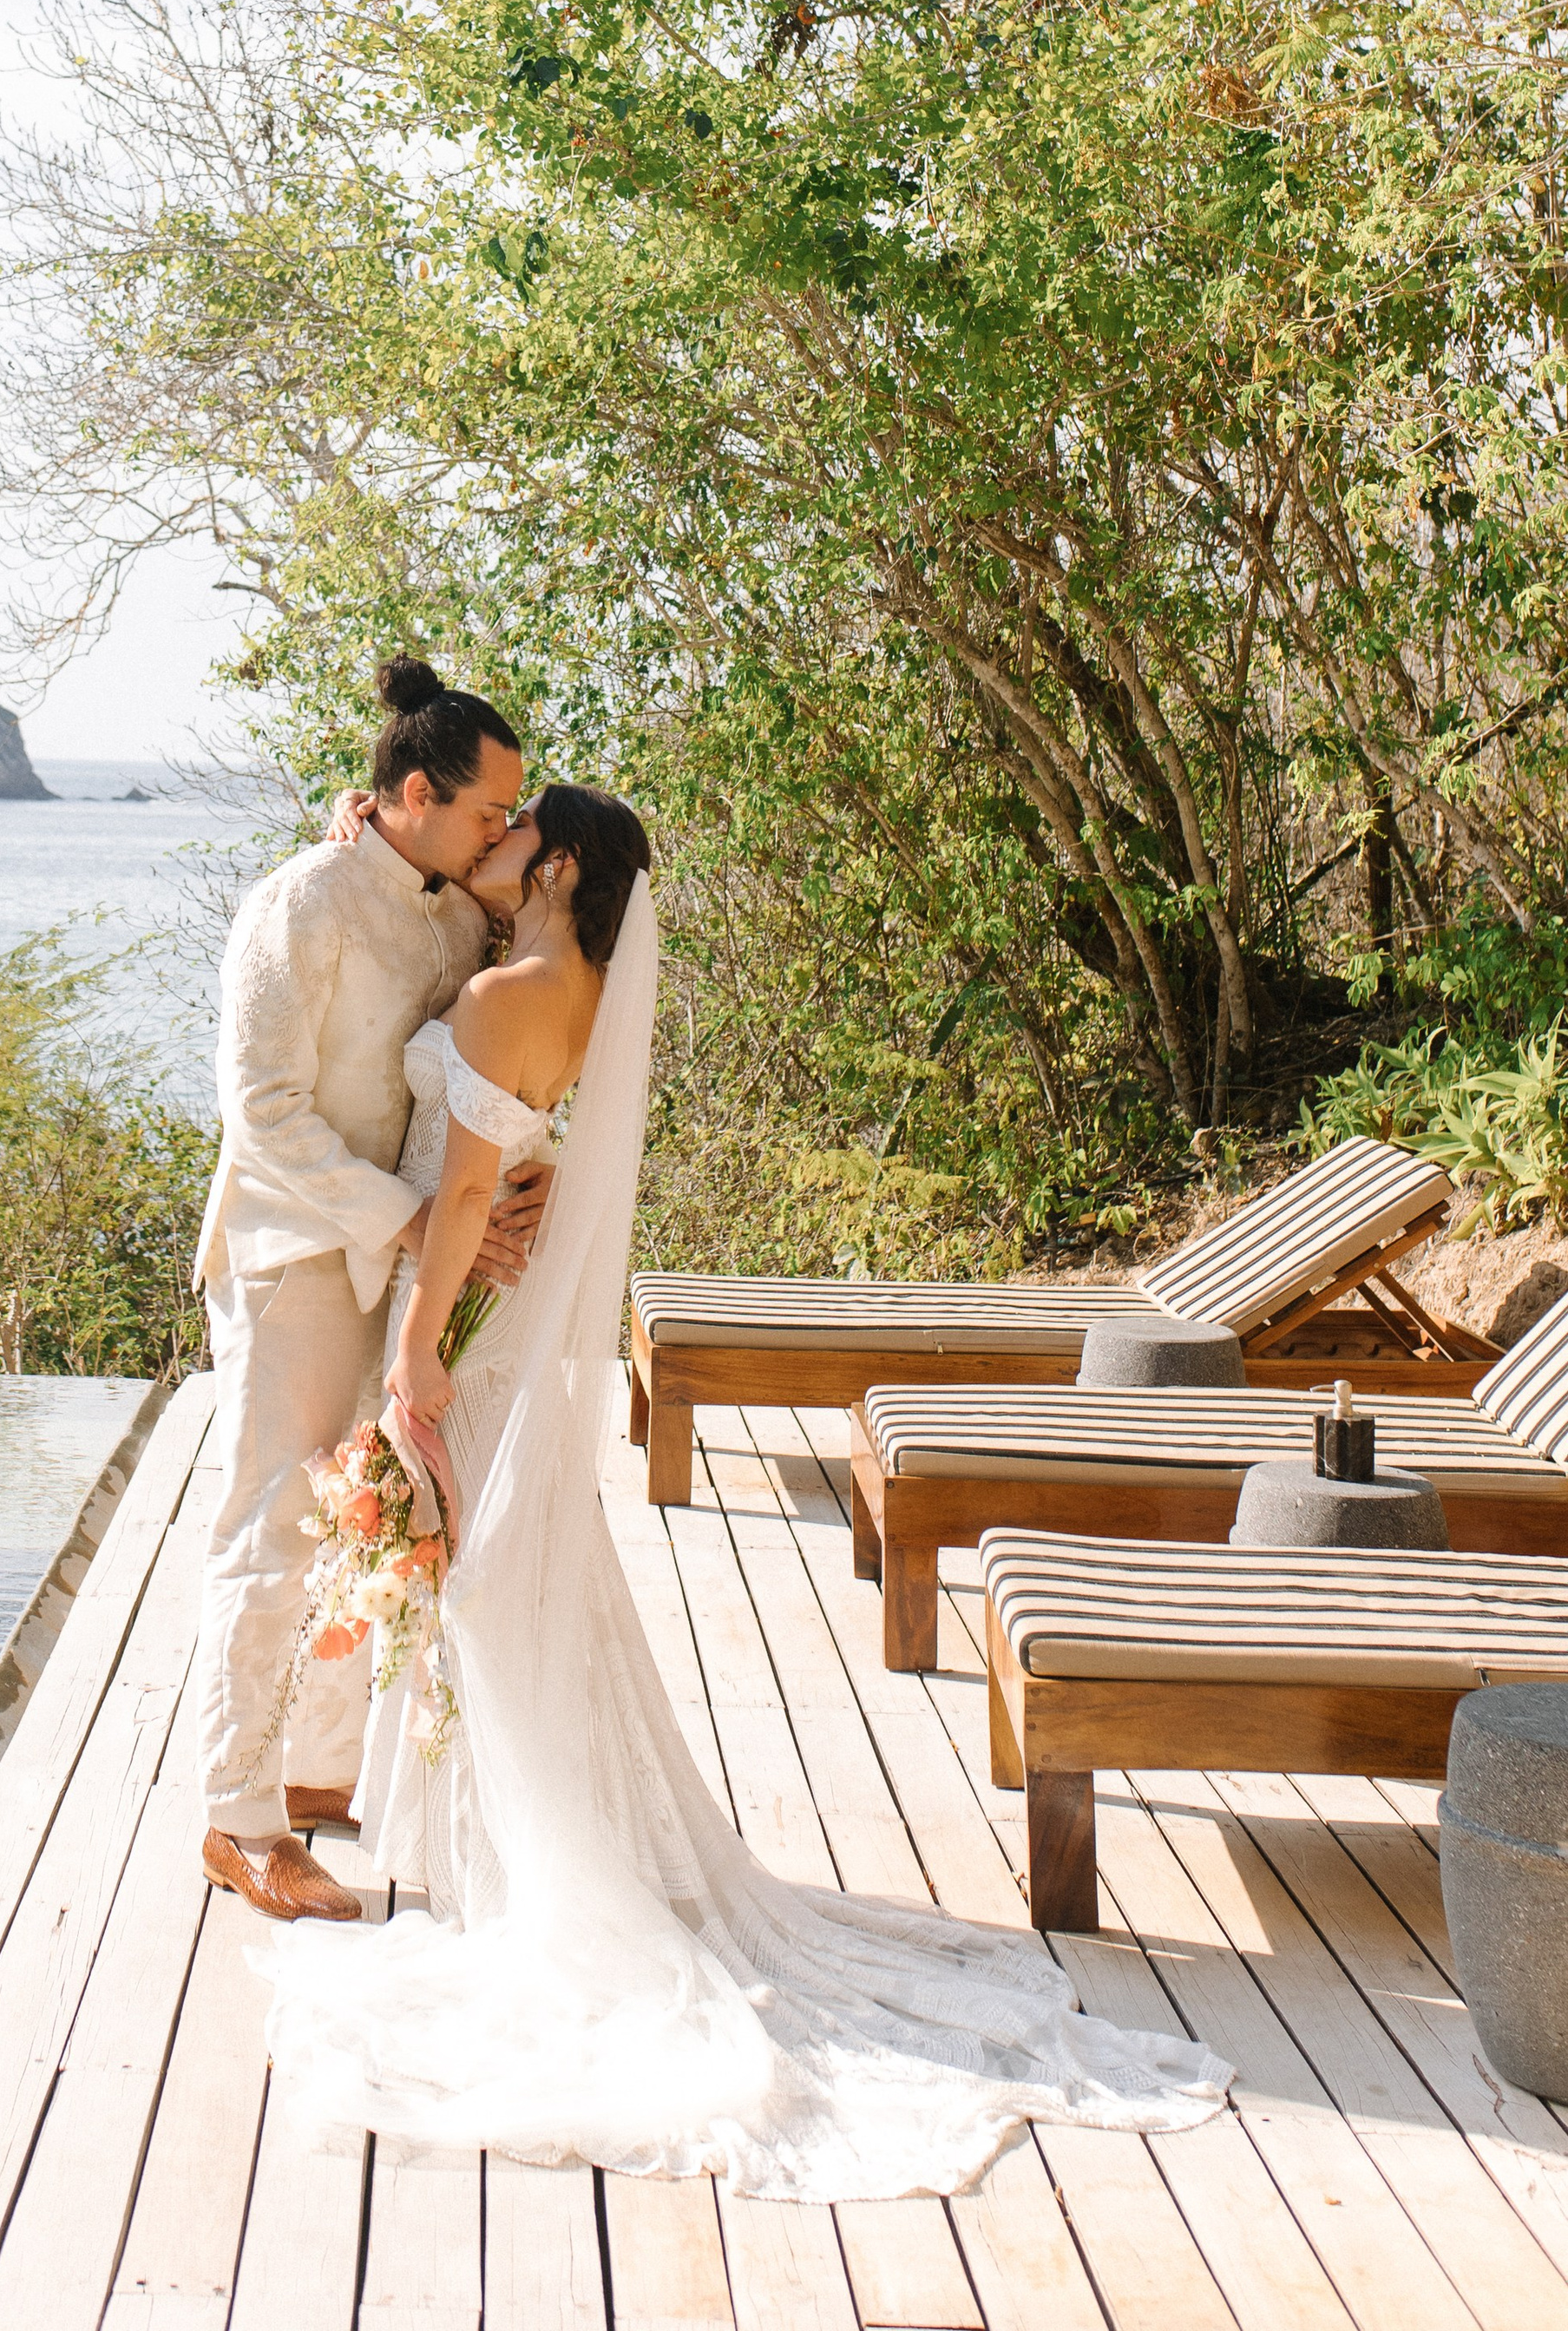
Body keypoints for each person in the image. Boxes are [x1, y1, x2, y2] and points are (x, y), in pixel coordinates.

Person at [260, 787, 1233, 2201]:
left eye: (521, 826)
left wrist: (413, 1361)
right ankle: (535, 1868)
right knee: (519, 1596)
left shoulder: (501, 997)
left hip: (470, 1332)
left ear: (564, 863)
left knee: (492, 1595)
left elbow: (467, 1203)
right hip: (517, 1326)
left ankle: (545, 1889)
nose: (503, 834)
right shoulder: (574, 983)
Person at [194, 657, 552, 1926]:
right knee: (268, 1525)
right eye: (485, 811)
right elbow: (265, 1113)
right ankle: (238, 1822)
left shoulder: (458, 913)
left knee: (360, 1515)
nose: (503, 832)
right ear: (407, 792)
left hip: (397, 1264)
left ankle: (315, 1770)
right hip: (295, 1252)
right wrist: (417, 1226)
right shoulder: (297, 903)